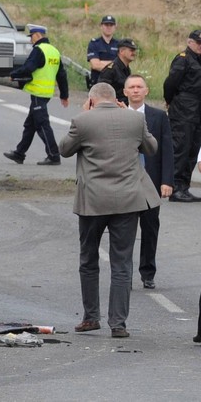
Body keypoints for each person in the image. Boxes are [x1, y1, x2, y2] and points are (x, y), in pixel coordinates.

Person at [60, 82, 159, 339]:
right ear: (117, 100)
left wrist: (85, 115)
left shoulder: (83, 121)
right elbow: (151, 148)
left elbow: (64, 149)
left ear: (91, 101)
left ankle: (91, 317)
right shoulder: (134, 120)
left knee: (88, 259)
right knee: (122, 262)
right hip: (128, 200)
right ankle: (118, 323)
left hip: (93, 201)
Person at [123, 74, 173, 289]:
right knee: (124, 231)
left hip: (150, 182)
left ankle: (148, 273)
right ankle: (123, 274)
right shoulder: (118, 115)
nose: (135, 90)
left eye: (139, 87)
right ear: (124, 92)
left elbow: (167, 150)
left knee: (150, 228)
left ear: (146, 91)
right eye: (131, 87)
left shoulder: (159, 116)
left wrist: (167, 180)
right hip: (124, 183)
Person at [3, 24, 69, 166]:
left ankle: (53, 155)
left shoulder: (39, 50)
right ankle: (19, 153)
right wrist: (64, 94)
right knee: (30, 125)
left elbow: (29, 67)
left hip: (38, 92)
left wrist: (14, 75)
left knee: (42, 124)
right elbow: (62, 75)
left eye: (31, 37)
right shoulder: (54, 51)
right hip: (45, 93)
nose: (30, 40)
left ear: (38, 35)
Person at [163, 29, 201, 202]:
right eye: (198, 43)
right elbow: (170, 84)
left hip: (197, 109)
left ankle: (184, 187)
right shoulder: (183, 59)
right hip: (183, 108)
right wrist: (171, 102)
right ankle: (174, 187)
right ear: (190, 42)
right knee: (180, 148)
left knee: (193, 148)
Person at [97, 39, 137, 105]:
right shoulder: (111, 70)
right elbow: (102, 92)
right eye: (131, 50)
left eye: (134, 51)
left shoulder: (126, 69)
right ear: (121, 51)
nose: (134, 53)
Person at [86, 15, 120, 87]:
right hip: (98, 82)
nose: (109, 27)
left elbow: (122, 65)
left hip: (115, 84)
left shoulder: (119, 44)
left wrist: (102, 62)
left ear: (115, 27)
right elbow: (95, 65)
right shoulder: (94, 43)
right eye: (106, 24)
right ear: (101, 26)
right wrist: (114, 65)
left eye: (111, 25)